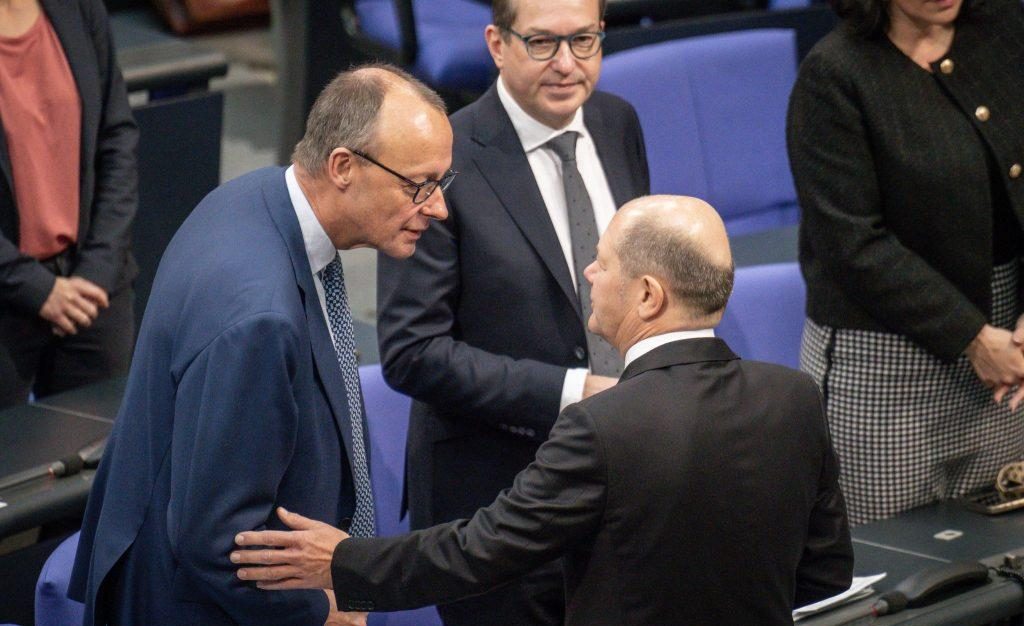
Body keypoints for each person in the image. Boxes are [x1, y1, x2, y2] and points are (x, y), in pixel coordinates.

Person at [233, 195, 854, 626]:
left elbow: (479, 551)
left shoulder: (603, 427)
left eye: (603, 262)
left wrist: (343, 562)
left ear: (647, 294)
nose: (588, 271)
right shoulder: (793, 397)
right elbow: (824, 574)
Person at [68, 64, 454, 626]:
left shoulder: (255, 197)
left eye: (443, 182)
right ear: (343, 166)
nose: (437, 206)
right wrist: (322, 611)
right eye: (419, 184)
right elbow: (216, 539)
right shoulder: (259, 318)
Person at [375, 0, 648, 622]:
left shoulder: (616, 122)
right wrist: (574, 392)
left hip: (624, 476)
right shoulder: (444, 155)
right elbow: (412, 352)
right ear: (497, 43)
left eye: (584, 41)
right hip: (497, 500)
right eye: (542, 44)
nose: (566, 64)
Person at [787, 0, 1024, 525]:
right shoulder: (834, 74)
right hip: (885, 366)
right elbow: (851, 241)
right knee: (901, 579)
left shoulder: (1007, 29)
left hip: (1009, 354)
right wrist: (972, 336)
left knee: (1003, 568)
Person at [0, 0, 138, 409]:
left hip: (92, 290)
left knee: (98, 458)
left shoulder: (78, 7)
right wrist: (36, 287)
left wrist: (98, 270)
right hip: (7, 295)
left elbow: (117, 137)